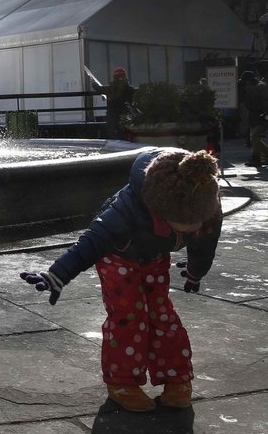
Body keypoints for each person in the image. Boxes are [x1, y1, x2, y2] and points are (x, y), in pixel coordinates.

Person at [20, 147, 222, 412]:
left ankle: (177, 379)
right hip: (118, 258)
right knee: (129, 316)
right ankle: (122, 383)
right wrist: (57, 275)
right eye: (181, 227)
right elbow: (90, 243)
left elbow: (204, 246)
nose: (193, 230)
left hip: (153, 256)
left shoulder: (206, 205)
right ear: (160, 211)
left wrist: (196, 272)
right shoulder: (124, 212)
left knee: (163, 315)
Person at [91, 67, 137, 140]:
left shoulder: (110, 88)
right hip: (125, 114)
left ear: (114, 77)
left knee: (113, 134)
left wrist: (93, 83)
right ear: (125, 76)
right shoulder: (130, 89)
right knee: (125, 131)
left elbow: (98, 88)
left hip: (112, 116)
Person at [239, 70, 268, 166]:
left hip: (262, 115)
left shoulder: (261, 87)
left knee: (254, 138)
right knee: (253, 138)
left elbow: (262, 99)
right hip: (253, 116)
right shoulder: (253, 88)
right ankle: (256, 158)